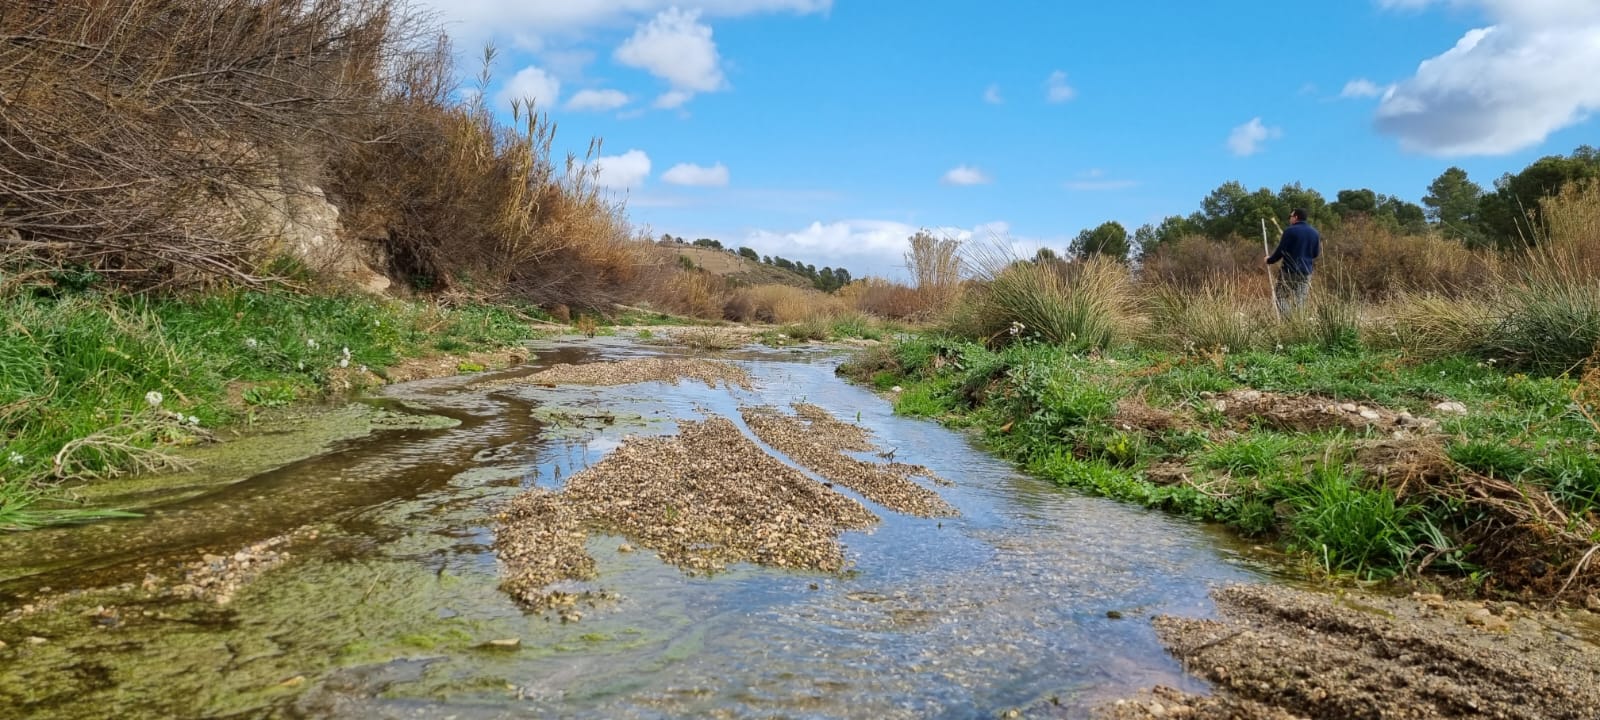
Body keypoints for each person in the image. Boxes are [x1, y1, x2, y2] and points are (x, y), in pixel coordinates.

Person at [1265, 208, 1321, 315]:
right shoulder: (1315, 233)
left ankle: (1288, 320)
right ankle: (1299, 323)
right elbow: (1315, 254)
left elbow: (1281, 251)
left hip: (1289, 271)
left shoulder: (1290, 231)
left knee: (1281, 296)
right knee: (1301, 300)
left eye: (1290, 216)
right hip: (1306, 272)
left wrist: (1269, 260)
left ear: (1296, 217)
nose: (1289, 219)